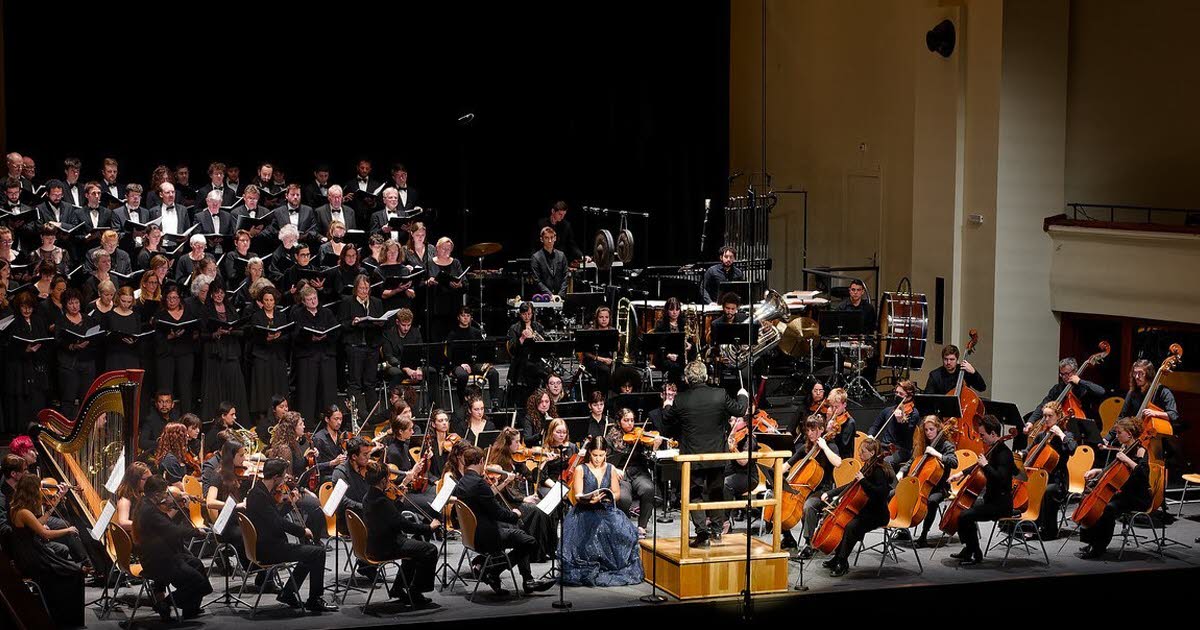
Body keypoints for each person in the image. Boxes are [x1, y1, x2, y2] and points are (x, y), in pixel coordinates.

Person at [659, 360, 749, 547]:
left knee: (693, 494)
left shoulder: (682, 399)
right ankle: (716, 531)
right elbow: (740, 409)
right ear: (705, 376)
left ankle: (702, 533)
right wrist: (743, 395)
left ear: (687, 379)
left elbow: (667, 420)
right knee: (716, 492)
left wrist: (667, 404)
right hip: (717, 455)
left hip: (693, 456)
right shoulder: (720, 394)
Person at [452, 445, 555, 595]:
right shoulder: (479, 484)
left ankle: (527, 580)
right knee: (529, 541)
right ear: (481, 461)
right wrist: (515, 514)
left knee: (520, 534)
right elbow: (497, 513)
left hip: (471, 535)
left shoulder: (462, 482)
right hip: (486, 536)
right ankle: (495, 571)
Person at [246, 458, 338, 613]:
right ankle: (314, 600)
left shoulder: (259, 491)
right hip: (269, 549)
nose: (285, 480)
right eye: (283, 476)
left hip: (267, 544)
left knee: (311, 552)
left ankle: (288, 593)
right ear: (276, 477)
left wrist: (288, 504)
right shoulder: (259, 496)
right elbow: (278, 523)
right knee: (318, 552)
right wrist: (302, 531)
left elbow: (274, 518)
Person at [560, 436, 643, 586]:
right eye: (595, 455)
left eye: (601, 455)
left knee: (624, 534)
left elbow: (617, 493)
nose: (598, 459)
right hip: (585, 511)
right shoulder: (581, 469)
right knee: (591, 535)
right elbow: (578, 494)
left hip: (605, 508)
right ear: (590, 452)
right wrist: (590, 499)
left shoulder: (610, 468)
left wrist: (608, 497)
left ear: (605, 453)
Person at [5, 474, 85, 628]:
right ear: (32, 490)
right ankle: (66, 619)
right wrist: (68, 530)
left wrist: (52, 506)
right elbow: (45, 533)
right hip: (31, 557)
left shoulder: (17, 507)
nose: (41, 491)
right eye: (39, 488)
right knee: (74, 572)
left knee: (69, 569)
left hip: (29, 551)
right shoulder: (24, 512)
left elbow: (38, 523)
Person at [362, 460, 440, 609]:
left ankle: (398, 588)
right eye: (389, 479)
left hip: (376, 542)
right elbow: (404, 525)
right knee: (430, 549)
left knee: (416, 545)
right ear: (384, 480)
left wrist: (400, 499)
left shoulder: (369, 497)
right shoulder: (381, 501)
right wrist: (429, 528)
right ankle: (416, 591)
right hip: (387, 546)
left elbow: (391, 517)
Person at [134, 475, 212, 621]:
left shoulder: (147, 504)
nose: (166, 497)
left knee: (197, 564)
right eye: (164, 494)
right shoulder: (149, 511)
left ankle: (191, 610)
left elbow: (167, 527)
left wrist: (175, 505)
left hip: (164, 554)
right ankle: (164, 603)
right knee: (198, 582)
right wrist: (196, 532)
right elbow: (173, 530)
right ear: (156, 495)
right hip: (159, 561)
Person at [1077, 417, 1152, 559]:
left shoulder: (1140, 450)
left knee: (1107, 508)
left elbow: (1143, 474)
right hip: (1123, 493)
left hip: (1137, 497)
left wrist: (1127, 460)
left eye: (1119, 433)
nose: (1116, 436)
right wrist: (1098, 470)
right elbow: (1113, 470)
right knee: (1090, 499)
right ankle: (1090, 542)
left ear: (1129, 434)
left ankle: (1099, 547)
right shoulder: (1124, 447)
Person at [822, 437, 895, 577]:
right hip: (865, 510)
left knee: (851, 526)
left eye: (862, 452)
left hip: (878, 514)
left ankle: (842, 562)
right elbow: (851, 485)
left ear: (872, 453)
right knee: (845, 523)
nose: (859, 455)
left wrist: (863, 481)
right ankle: (837, 557)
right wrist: (830, 493)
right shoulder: (867, 466)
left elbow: (881, 494)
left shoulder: (879, 470)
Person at [948, 414, 1014, 565]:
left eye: (983, 435)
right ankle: (970, 549)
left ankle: (974, 552)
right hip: (990, 500)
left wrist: (986, 465)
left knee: (965, 516)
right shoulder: (993, 450)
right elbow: (977, 465)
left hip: (1001, 505)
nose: (981, 438)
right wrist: (960, 474)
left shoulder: (1005, 454)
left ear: (993, 434)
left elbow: (1000, 478)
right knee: (961, 512)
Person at [896, 415, 958, 548]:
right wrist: (902, 471)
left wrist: (937, 454)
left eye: (931, 429)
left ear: (938, 428)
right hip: (922, 484)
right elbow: (913, 460)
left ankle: (923, 536)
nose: (929, 432)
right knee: (895, 493)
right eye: (926, 430)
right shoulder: (924, 443)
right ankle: (901, 528)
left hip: (940, 487)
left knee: (932, 501)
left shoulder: (946, 445)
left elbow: (954, 462)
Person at [1020, 401, 1076, 540]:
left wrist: (1060, 434)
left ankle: (1049, 530)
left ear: (1058, 416)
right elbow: (1029, 450)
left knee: (1047, 490)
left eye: (1050, 416)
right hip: (1040, 477)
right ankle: (1027, 525)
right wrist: (1021, 454)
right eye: (1044, 416)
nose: (1046, 419)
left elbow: (1072, 449)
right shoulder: (1041, 435)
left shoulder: (1067, 435)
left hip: (1058, 481)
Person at [788, 415, 843, 556]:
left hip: (824, 491)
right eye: (808, 430)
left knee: (808, 506)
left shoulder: (830, 446)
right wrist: (774, 474)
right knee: (779, 499)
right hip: (806, 489)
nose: (810, 433)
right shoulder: (806, 448)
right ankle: (787, 537)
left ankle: (809, 543)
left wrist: (824, 447)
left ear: (822, 430)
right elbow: (788, 464)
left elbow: (838, 463)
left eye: (813, 430)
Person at [603, 408, 660, 537]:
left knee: (648, 489)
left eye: (632, 420)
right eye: (626, 420)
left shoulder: (640, 435)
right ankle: (624, 525)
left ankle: (642, 526)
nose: (630, 423)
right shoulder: (611, 437)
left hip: (638, 472)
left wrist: (654, 446)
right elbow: (604, 460)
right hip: (621, 474)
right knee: (623, 498)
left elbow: (649, 458)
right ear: (619, 421)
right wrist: (613, 469)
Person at [1027, 357, 1107, 445]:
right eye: (1062, 374)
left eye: (1067, 374)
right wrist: (1031, 421)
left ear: (1075, 372)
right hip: (1060, 428)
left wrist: (1080, 381)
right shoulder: (1058, 388)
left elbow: (1101, 391)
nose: (1065, 377)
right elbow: (1043, 405)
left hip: (1081, 429)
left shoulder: (1083, 387)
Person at [291, 285, 340, 423]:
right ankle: (307, 422)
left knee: (327, 390)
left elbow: (336, 331)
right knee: (308, 390)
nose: (313, 302)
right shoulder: (298, 314)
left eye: (314, 298)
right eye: (309, 299)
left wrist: (325, 336)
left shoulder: (326, 313)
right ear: (304, 301)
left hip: (325, 355)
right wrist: (310, 338)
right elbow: (295, 335)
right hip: (308, 356)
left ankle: (330, 420)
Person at [340, 274, 384, 417]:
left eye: (366, 288)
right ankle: (358, 415)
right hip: (355, 346)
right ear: (355, 288)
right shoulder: (348, 302)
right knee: (355, 383)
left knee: (370, 382)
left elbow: (383, 322)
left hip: (372, 346)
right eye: (361, 288)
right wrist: (352, 323)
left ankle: (373, 416)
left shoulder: (376, 302)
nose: (364, 291)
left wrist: (380, 322)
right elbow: (341, 324)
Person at [248, 286, 291, 428]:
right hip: (262, 356)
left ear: (275, 301)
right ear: (261, 301)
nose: (268, 302)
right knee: (263, 387)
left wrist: (278, 337)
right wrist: (267, 338)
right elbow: (253, 337)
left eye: (271, 300)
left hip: (277, 356)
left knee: (278, 386)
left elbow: (287, 335)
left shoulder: (281, 316)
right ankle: (263, 418)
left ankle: (281, 415)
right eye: (266, 300)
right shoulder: (256, 316)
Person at [154, 282, 200, 414]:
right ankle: (164, 418)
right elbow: (155, 339)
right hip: (166, 355)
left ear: (179, 299)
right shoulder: (160, 315)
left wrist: (195, 334)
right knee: (165, 388)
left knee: (185, 387)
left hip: (185, 353)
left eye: (174, 298)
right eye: (169, 298)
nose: (172, 301)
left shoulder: (189, 312)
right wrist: (169, 336)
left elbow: (195, 330)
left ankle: (187, 418)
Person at [53, 288, 99, 418]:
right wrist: (73, 346)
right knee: (68, 398)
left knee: (87, 398)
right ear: (65, 305)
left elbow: (96, 338)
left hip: (87, 363)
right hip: (69, 365)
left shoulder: (88, 319)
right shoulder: (61, 321)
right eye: (71, 303)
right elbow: (58, 342)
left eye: (77, 303)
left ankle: (87, 428)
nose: (74, 306)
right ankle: (66, 429)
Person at [445, 306, 499, 398]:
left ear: (471, 318)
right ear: (458, 317)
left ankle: (495, 403)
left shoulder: (476, 332)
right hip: (458, 364)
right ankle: (462, 401)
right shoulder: (452, 334)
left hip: (474, 363)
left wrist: (486, 361)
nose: (465, 318)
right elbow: (450, 355)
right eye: (463, 315)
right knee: (462, 375)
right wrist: (461, 364)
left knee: (493, 373)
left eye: (468, 315)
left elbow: (483, 350)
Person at [867, 380, 920, 467]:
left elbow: (907, 435)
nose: (897, 396)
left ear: (909, 397)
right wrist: (870, 436)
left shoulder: (913, 413)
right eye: (896, 393)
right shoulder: (888, 410)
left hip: (901, 449)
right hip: (884, 446)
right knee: (867, 455)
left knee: (886, 461)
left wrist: (900, 422)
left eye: (901, 394)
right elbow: (875, 426)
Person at [427, 236, 466, 342]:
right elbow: (422, 283)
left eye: (448, 249)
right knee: (437, 339)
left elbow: (465, 283)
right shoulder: (430, 263)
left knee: (453, 339)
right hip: (436, 308)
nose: (446, 251)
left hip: (453, 306)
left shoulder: (456, 263)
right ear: (437, 248)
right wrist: (429, 282)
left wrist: (460, 285)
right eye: (443, 248)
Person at [506, 301, 549, 395]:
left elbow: (545, 346)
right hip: (520, 360)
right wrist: (522, 338)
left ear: (532, 314)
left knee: (547, 373)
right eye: (524, 314)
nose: (527, 316)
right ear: (520, 314)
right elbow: (512, 350)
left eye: (529, 314)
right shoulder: (514, 328)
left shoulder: (538, 326)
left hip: (536, 359)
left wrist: (538, 339)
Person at [582, 306, 616, 396]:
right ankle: (602, 396)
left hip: (609, 359)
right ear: (597, 318)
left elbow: (616, 350)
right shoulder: (591, 331)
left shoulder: (612, 331)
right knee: (604, 370)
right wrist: (602, 359)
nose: (604, 320)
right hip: (593, 360)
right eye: (601, 317)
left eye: (606, 317)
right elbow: (586, 353)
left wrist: (618, 340)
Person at [530, 226, 568, 297]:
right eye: (546, 238)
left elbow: (565, 277)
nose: (550, 240)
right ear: (541, 239)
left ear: (555, 238)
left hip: (560, 297)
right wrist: (550, 295)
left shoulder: (561, 255)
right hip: (544, 298)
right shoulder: (536, 257)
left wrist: (560, 295)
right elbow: (537, 280)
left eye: (551, 237)